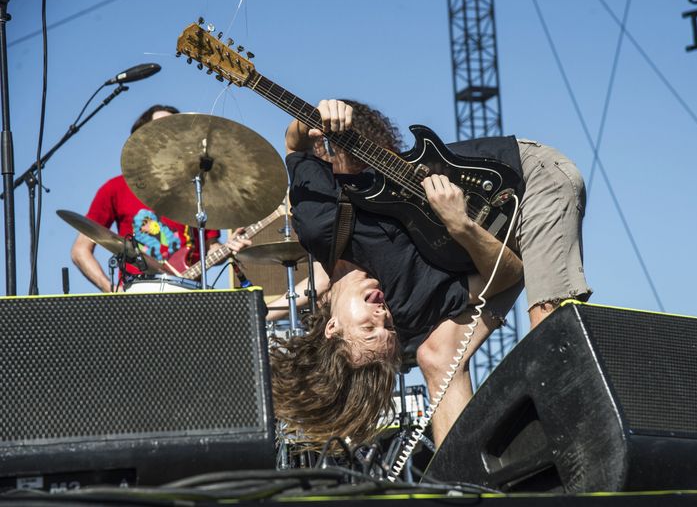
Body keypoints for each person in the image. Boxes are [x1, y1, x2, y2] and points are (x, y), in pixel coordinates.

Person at [269, 99, 591, 449]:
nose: (382, 315)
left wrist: (313, 120)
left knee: (546, 325)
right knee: (436, 356)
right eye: (388, 327)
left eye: (368, 327)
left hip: (528, 179)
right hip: (493, 238)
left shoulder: (320, 225)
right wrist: (462, 226)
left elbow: (295, 146)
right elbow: (506, 273)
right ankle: (462, 484)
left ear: (333, 328)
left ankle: (577, 461)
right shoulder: (405, 303)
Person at [71, 104, 249, 292]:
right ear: (142, 140)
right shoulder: (115, 188)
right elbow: (80, 250)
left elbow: (211, 248)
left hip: (189, 295)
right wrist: (112, 290)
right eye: (161, 128)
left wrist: (228, 248)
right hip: (138, 296)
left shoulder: (197, 189)